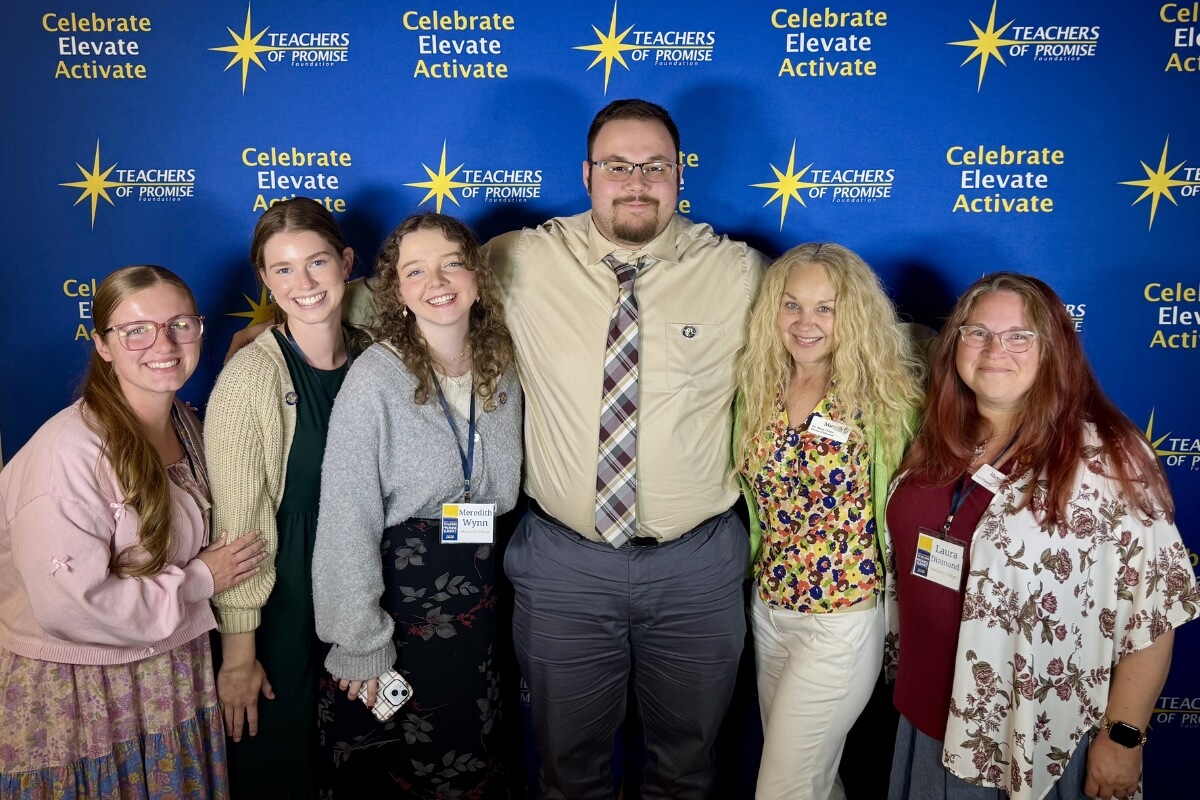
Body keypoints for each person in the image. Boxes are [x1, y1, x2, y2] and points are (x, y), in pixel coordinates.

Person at [227, 98, 768, 798]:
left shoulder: (740, 272)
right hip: (566, 565)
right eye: (616, 166)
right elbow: (402, 292)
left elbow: (830, 321)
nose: (636, 180)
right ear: (588, 173)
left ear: (678, 173)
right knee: (568, 769)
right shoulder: (525, 255)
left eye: (654, 165)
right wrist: (282, 331)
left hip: (692, 566)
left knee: (689, 766)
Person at [884, 272, 1198, 800]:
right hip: (924, 716)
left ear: (1052, 349)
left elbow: (1154, 609)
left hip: (1031, 735)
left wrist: (1124, 739)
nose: (994, 350)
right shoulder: (933, 436)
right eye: (977, 332)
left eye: (1018, 336)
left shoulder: (1106, 458)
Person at [0, 265, 264, 798]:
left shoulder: (184, 422)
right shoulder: (69, 454)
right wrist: (197, 582)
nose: (162, 343)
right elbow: (70, 606)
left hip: (168, 671)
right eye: (136, 330)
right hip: (82, 692)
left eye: (179, 324)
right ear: (102, 345)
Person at [312, 212, 522, 798]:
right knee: (404, 767)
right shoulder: (375, 378)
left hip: (479, 606)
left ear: (478, 276)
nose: (438, 281)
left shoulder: (502, 363)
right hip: (401, 606)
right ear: (398, 292)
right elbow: (346, 515)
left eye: (453, 263)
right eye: (416, 270)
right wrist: (359, 641)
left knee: (470, 759)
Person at [732, 243, 923, 800]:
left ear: (854, 313)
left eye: (826, 308)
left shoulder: (889, 397)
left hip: (840, 621)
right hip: (769, 609)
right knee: (815, 779)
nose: (805, 322)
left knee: (782, 788)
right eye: (792, 305)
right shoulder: (758, 387)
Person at [205, 198, 367, 797]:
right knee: (283, 758)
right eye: (283, 269)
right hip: (284, 595)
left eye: (318, 262)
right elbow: (240, 532)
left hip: (363, 587)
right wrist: (239, 654)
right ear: (265, 281)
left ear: (347, 262)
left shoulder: (378, 356)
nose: (304, 283)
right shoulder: (254, 377)